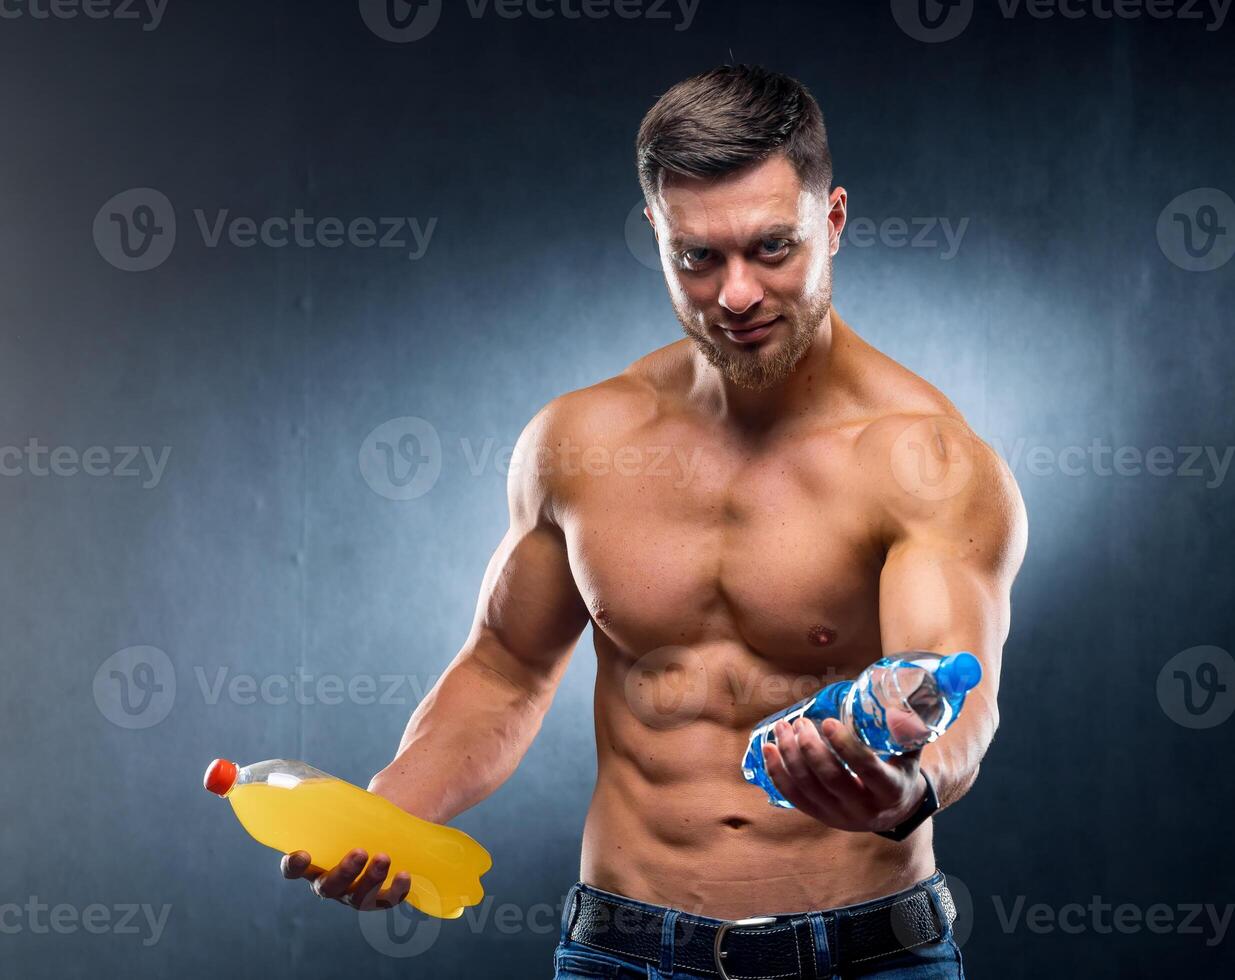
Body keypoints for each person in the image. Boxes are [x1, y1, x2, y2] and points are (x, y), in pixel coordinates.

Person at [281, 64, 1028, 978]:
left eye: (772, 248)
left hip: (864, 954)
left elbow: (956, 692)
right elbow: (505, 666)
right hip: (623, 950)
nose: (738, 294)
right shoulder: (581, 439)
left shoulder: (926, 460)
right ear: (656, 237)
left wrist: (907, 792)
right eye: (697, 258)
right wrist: (390, 812)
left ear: (831, 221)